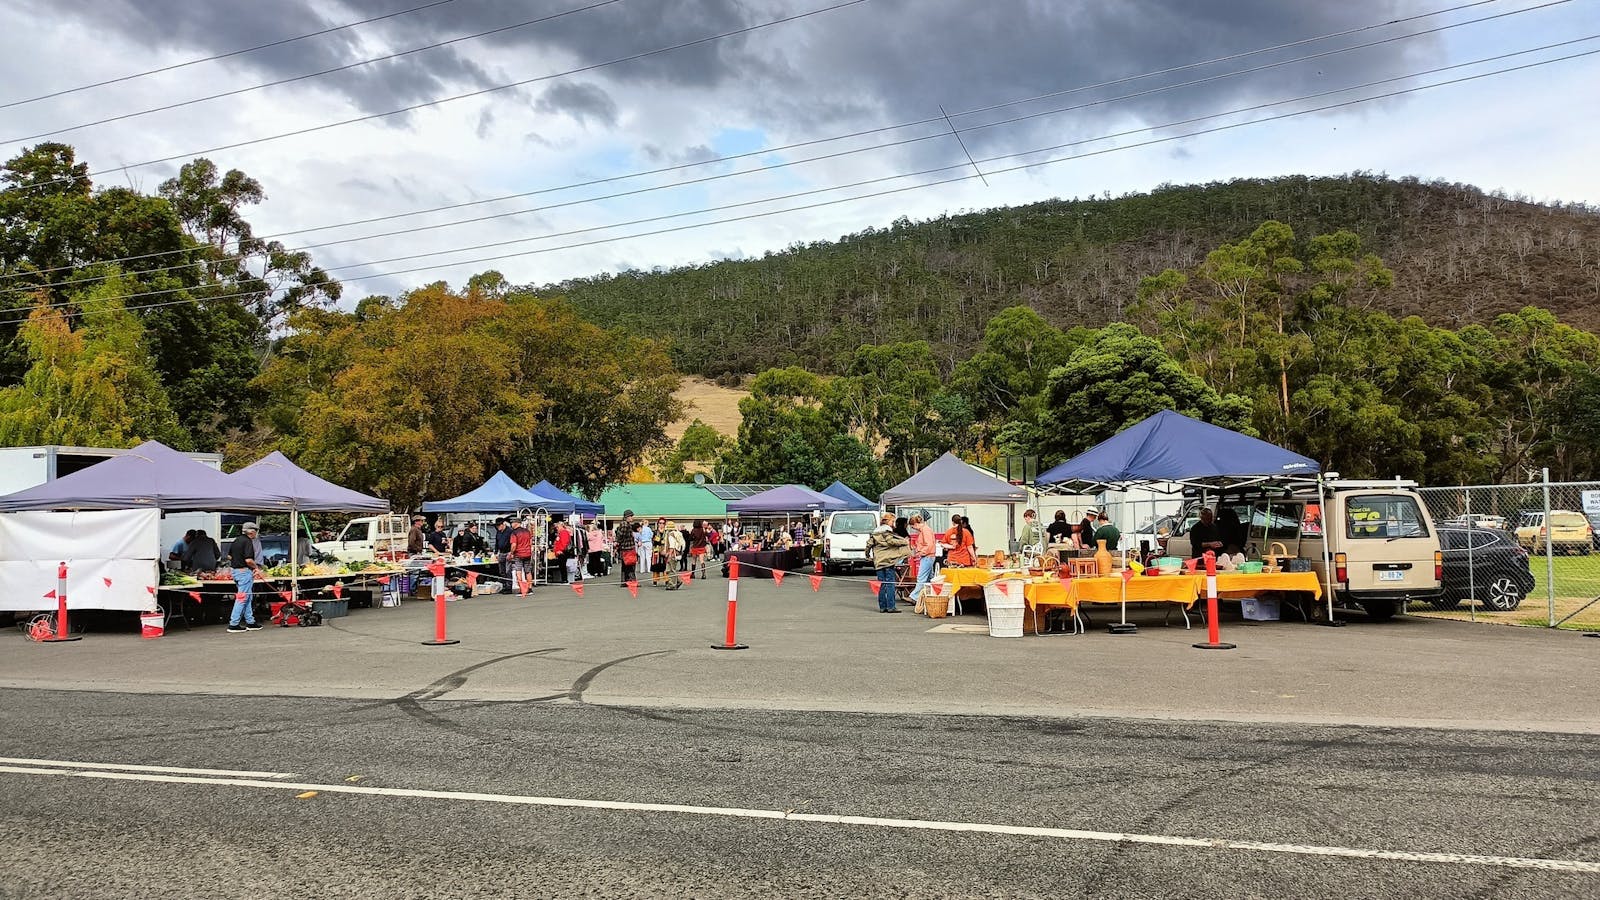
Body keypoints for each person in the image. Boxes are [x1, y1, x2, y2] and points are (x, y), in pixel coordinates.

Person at [866, 512, 911, 613]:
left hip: (878, 561)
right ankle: (891, 606)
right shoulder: (887, 531)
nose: (893, 523)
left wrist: (868, 556)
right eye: (893, 521)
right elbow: (891, 541)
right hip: (888, 561)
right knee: (890, 584)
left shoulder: (875, 532)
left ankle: (882, 607)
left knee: (882, 584)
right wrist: (904, 541)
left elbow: (868, 545)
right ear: (889, 521)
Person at [225, 522, 264, 633]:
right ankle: (233, 624)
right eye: (256, 531)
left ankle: (250, 622)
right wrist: (256, 567)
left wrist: (237, 560)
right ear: (251, 531)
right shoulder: (247, 542)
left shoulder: (236, 540)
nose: (256, 533)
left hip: (235, 571)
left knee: (247, 597)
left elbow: (229, 556)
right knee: (242, 598)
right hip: (244, 572)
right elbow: (249, 560)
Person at [907, 514, 938, 608]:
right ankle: (929, 596)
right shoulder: (925, 530)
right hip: (928, 556)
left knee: (921, 577)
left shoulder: (925, 530)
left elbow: (929, 544)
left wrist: (920, 552)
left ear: (916, 524)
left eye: (913, 527)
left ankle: (914, 597)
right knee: (929, 578)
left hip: (927, 556)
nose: (914, 529)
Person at [508, 518, 535, 592]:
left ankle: (521, 589)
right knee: (528, 571)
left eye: (512, 523)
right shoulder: (527, 531)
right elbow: (530, 542)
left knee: (518, 571)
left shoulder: (514, 533)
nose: (511, 524)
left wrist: (511, 553)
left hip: (518, 554)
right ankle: (530, 588)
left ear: (516, 523)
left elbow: (514, 545)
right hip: (527, 553)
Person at [614, 512, 638, 586]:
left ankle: (624, 581)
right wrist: (618, 542)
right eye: (631, 516)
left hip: (626, 547)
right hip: (627, 548)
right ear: (627, 517)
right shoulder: (625, 524)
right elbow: (621, 536)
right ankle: (631, 581)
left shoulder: (626, 524)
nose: (632, 518)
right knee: (630, 565)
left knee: (625, 565)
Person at [550, 517, 572, 584]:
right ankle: (564, 579)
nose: (557, 528)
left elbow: (564, 542)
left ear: (561, 526)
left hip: (562, 552)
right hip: (560, 551)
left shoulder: (564, 532)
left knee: (562, 565)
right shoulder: (560, 533)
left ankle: (565, 579)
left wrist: (560, 550)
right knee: (561, 565)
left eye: (557, 527)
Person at [568, 518, 589, 583]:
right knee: (579, 560)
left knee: (578, 560)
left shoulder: (577, 531)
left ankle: (577, 573)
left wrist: (580, 547)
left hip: (577, 548)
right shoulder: (578, 531)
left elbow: (580, 540)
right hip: (579, 547)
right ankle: (578, 573)